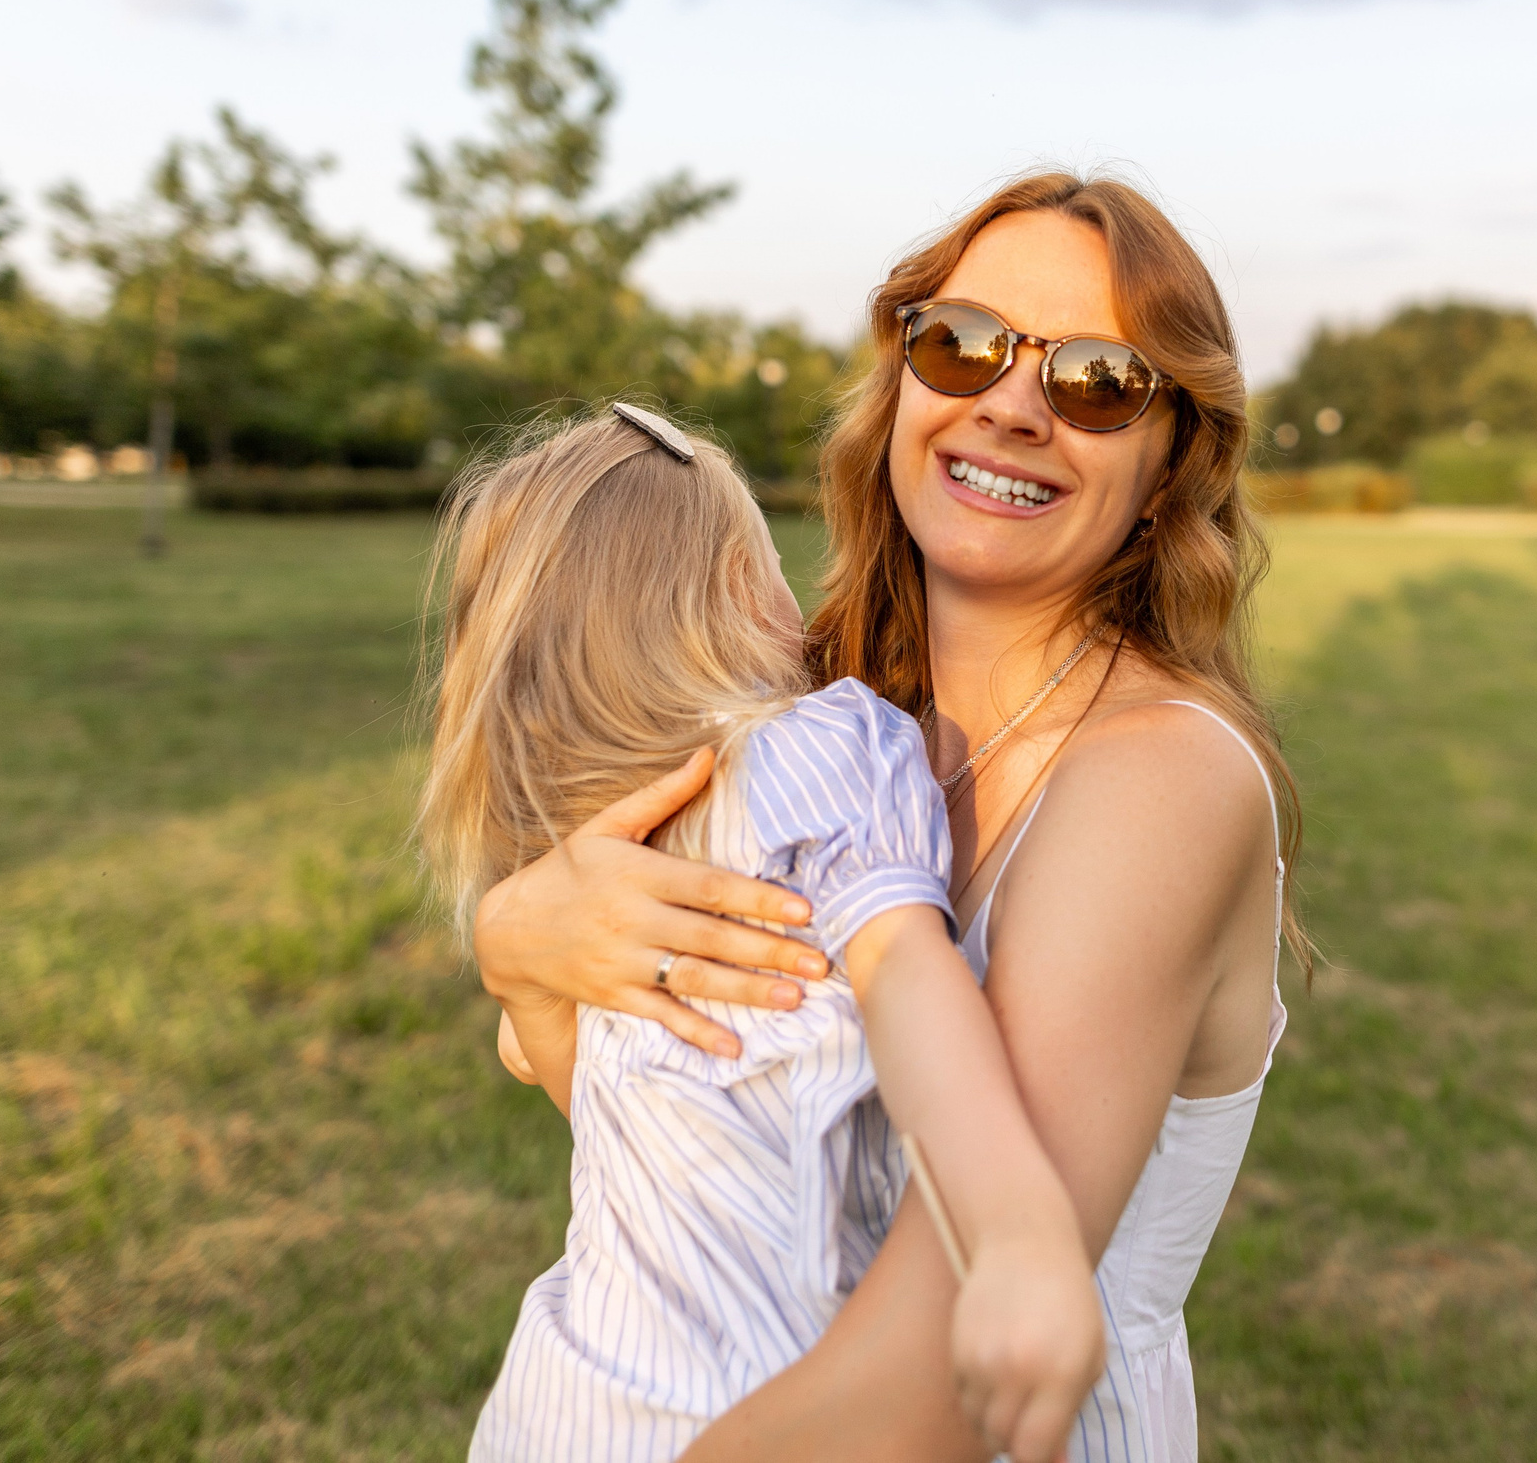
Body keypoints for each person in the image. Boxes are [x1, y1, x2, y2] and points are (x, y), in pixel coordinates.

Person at [478, 173, 1301, 1462]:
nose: (1013, 405)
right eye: (961, 344)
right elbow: (706, 1158)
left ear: (1168, 466)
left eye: (1095, 383)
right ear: (905, 384)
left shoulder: (1159, 781)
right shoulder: (815, 729)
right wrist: (521, 942)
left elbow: (931, 1381)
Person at [421, 405, 1106, 1463]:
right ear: (741, 593)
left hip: (562, 1407)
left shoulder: (588, 860)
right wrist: (1017, 1233)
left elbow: (573, 1092)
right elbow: (906, 973)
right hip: (772, 1402)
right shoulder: (819, 748)